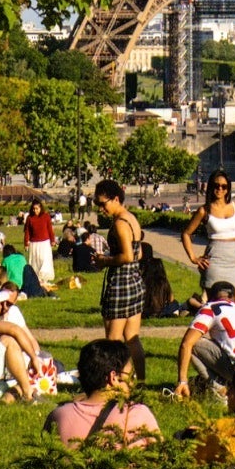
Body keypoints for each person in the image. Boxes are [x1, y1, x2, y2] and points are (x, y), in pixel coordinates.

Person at [47, 339, 160, 447]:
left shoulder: (58, 416)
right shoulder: (137, 414)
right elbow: (162, 455)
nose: (132, 383)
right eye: (130, 376)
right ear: (113, 377)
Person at [93, 179, 146, 371]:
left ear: (115, 199)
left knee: (113, 341)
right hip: (135, 282)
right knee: (132, 339)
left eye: (102, 204)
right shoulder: (131, 218)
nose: (101, 209)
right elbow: (139, 254)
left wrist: (104, 260)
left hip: (120, 285)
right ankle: (140, 381)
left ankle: (117, 381)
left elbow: (127, 256)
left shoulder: (120, 224)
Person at [181, 171, 235, 302]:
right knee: (215, 307)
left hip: (234, 262)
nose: (220, 189)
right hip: (214, 262)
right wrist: (193, 258)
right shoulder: (204, 210)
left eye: (224, 186)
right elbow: (186, 233)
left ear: (228, 189)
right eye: (216, 185)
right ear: (211, 187)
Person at [25, 202, 56, 287]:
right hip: (34, 243)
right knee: (35, 261)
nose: (35, 210)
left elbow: (50, 229)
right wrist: (26, 243)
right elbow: (27, 231)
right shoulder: (29, 218)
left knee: (44, 260)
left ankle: (44, 278)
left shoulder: (46, 216)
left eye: (37, 209)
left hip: (45, 243)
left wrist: (52, 240)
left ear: (41, 208)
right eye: (33, 209)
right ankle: (37, 279)